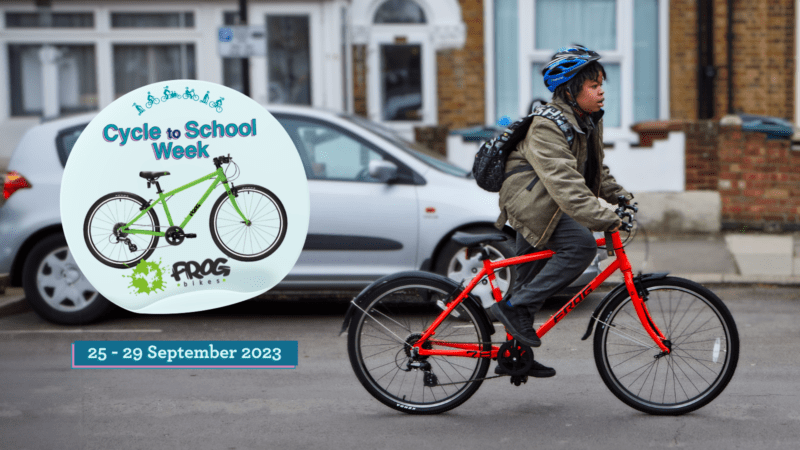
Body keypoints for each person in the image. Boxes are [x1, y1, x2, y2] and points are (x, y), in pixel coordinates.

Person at [491, 45, 632, 378]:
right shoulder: (547, 125)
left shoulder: (585, 120)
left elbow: (596, 171)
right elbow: (565, 182)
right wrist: (603, 217)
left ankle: (514, 355)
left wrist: (621, 197)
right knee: (581, 245)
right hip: (532, 204)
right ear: (570, 90)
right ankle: (514, 309)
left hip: (546, 202)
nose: (601, 92)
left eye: (601, 85)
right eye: (593, 85)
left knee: (529, 283)